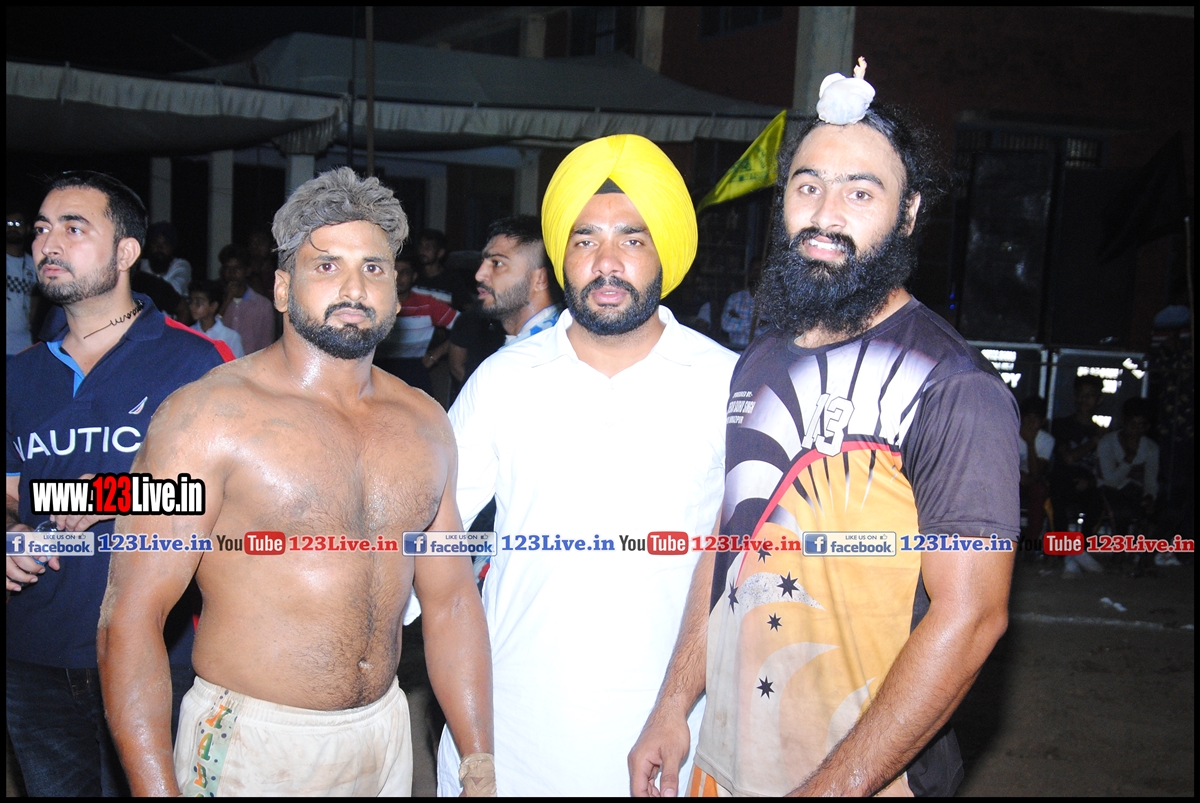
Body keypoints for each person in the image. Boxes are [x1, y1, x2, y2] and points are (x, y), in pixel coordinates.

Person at [630, 70, 1018, 797]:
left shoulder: (953, 385)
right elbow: (731, 540)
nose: (826, 214)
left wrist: (832, 788)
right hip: (724, 765)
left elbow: (971, 617)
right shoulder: (761, 357)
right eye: (807, 186)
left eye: (860, 193)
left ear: (909, 213)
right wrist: (673, 704)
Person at [96, 167, 495, 797]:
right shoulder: (204, 419)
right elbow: (131, 617)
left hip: (385, 735)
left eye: (373, 268)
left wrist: (478, 765)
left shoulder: (426, 422)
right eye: (327, 265)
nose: (354, 287)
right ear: (283, 288)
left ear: (396, 292)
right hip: (252, 744)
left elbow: (450, 602)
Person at [437, 134, 737, 796]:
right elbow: (430, 534)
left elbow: (742, 567)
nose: (606, 262)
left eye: (632, 238)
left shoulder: (727, 384)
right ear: (561, 258)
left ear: (664, 251)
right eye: (585, 240)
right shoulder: (504, 380)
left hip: (671, 735)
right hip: (509, 734)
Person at [6, 171, 231, 797]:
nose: (48, 243)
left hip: (157, 649)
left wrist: (111, 493)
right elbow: (12, 492)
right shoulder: (20, 374)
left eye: (74, 228)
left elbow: (229, 496)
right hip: (33, 653)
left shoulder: (195, 362)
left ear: (127, 251)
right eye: (42, 229)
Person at [373, 251, 459, 395]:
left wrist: (436, 354)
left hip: (415, 369)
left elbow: (464, 327)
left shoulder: (427, 304)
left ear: (414, 276)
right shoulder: (374, 303)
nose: (398, 277)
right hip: (377, 369)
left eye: (405, 272)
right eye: (394, 272)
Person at [1096, 397, 1160, 542]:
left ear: (1147, 427)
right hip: (1106, 491)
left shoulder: (1151, 448)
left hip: (1135, 493)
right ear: (1123, 422)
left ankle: (1149, 549)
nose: (1136, 430)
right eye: (1132, 424)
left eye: (1141, 425)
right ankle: (1120, 547)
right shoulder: (1107, 443)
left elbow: (1151, 480)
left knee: (1162, 510)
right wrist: (1128, 459)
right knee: (1122, 509)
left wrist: (1150, 496)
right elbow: (1110, 482)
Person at [217, 242, 275, 354]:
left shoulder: (262, 305)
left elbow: (266, 344)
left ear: (247, 270)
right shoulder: (216, 300)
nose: (232, 273)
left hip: (250, 363)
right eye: (228, 268)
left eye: (237, 268)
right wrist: (226, 302)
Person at [1018, 395, 1054, 543]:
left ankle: (1031, 544)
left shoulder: (1047, 440)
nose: (1030, 422)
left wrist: (1030, 443)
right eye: (1027, 417)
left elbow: (1037, 473)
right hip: (1010, 480)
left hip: (1032, 481)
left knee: (1039, 491)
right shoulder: (1010, 434)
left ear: (1042, 421)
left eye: (1035, 418)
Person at [6, 208, 38, 356]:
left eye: (18, 223)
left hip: (21, 344)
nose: (13, 227)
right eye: (8, 223)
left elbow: (36, 298)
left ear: (27, 229)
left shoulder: (34, 265)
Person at [188, 278, 245, 358]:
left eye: (198, 302)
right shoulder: (188, 334)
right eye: (191, 301)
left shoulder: (231, 337)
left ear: (213, 306)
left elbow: (237, 364)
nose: (192, 306)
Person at [138, 220, 192, 296]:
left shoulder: (182, 266)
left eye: (165, 244)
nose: (159, 248)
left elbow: (175, 291)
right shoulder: (141, 265)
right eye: (155, 243)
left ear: (172, 247)